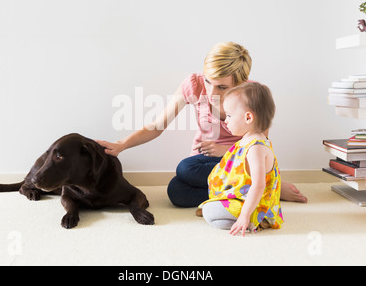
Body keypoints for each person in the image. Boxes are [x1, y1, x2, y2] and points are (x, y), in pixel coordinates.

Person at [96, 41, 307, 208]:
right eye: (208, 81)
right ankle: (250, 193)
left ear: (241, 82)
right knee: (176, 191)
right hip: (204, 164)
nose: (211, 92)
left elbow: (262, 146)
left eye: (222, 87)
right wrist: (121, 144)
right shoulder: (194, 85)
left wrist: (225, 151)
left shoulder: (254, 95)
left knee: (184, 168)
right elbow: (158, 125)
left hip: (241, 164)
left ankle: (265, 189)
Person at [199, 82, 283, 236]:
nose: (226, 120)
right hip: (242, 198)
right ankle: (235, 215)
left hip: (256, 205)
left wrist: (244, 216)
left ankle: (255, 219)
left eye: (229, 115)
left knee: (210, 212)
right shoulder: (246, 140)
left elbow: (258, 185)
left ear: (248, 117)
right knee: (210, 210)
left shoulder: (256, 147)